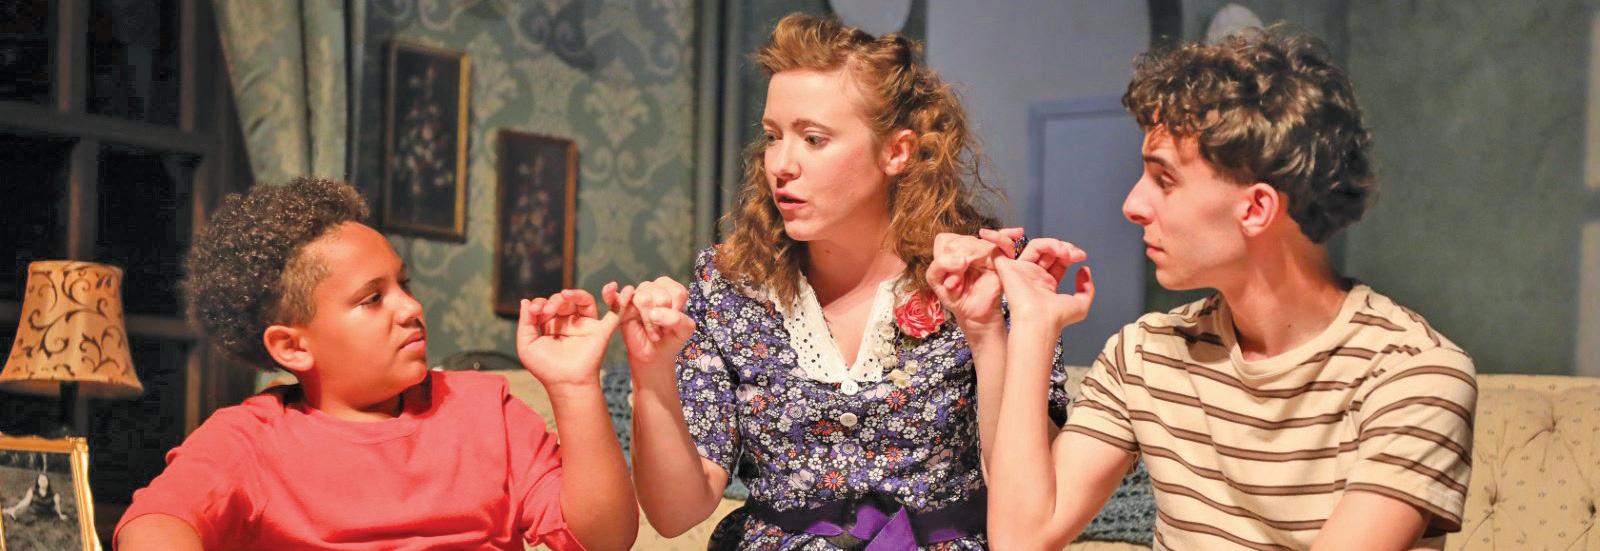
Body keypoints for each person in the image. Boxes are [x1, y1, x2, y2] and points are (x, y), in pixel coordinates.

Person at [955, 26, 1476, 550]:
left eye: (1164, 179)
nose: (1132, 205)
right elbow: (1021, 539)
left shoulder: (1413, 376)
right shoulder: (1146, 354)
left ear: (1257, 208)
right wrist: (1030, 324)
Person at [615, 13, 1071, 550]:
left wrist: (986, 329)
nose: (781, 164)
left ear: (896, 151)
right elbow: (675, 514)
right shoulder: (730, 286)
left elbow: (1028, 506)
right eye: (773, 137)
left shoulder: (985, 275)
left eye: (813, 139)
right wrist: (651, 374)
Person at [114, 177, 637, 550]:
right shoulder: (249, 440)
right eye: (372, 299)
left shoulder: (486, 411)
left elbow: (604, 540)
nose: (411, 308)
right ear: (293, 347)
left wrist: (574, 386)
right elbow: (153, 525)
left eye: (403, 285)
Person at [4, 473, 69, 522]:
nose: (43, 482)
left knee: (34, 520)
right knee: (23, 517)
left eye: (45, 480)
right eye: (40, 480)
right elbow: (26, 501)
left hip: (45, 514)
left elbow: (57, 506)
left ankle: (11, 511)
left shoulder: (55, 494)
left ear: (48, 482)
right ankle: (11, 510)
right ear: (37, 482)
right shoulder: (32, 490)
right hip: (32, 511)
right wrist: (15, 508)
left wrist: (60, 515)